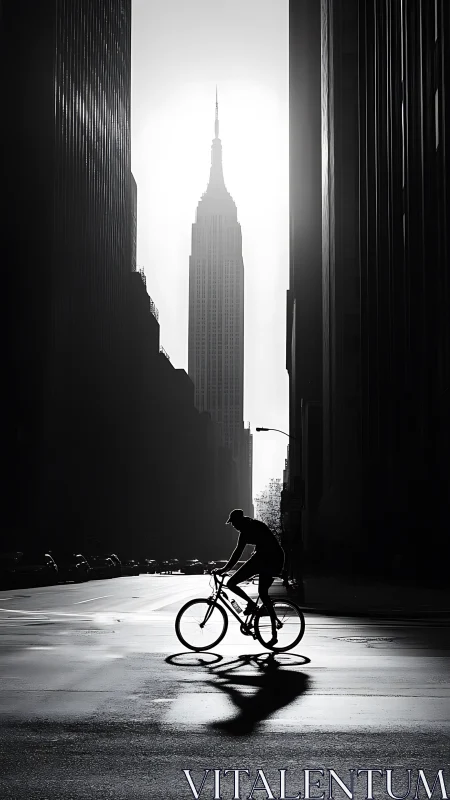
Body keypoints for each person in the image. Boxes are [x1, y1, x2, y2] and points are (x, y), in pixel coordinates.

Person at [213, 509, 285, 646]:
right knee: (235, 584)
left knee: (259, 592)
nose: (233, 526)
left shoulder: (253, 527)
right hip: (264, 558)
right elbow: (238, 552)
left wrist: (225, 569)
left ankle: (273, 634)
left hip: (272, 559)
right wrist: (226, 569)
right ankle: (252, 606)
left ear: (240, 520)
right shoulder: (246, 530)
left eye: (234, 523)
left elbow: (240, 553)